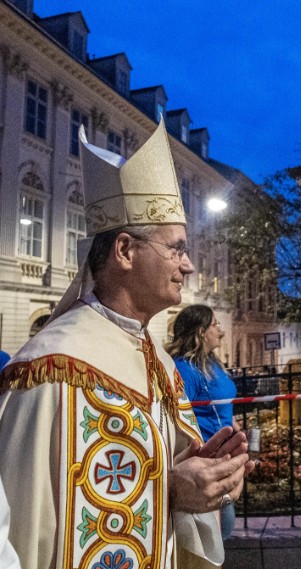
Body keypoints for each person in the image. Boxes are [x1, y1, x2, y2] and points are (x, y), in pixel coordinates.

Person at [0, 121, 254, 568]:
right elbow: (29, 527)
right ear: (124, 250)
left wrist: (210, 477)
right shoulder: (48, 370)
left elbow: (169, 470)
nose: (189, 265)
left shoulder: (156, 359)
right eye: (176, 249)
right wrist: (171, 488)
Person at [167, 304, 240, 539]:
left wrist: (235, 427)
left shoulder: (213, 363)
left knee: (223, 527)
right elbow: (175, 416)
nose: (220, 330)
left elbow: (221, 404)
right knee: (217, 530)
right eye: (215, 324)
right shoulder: (185, 369)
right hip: (204, 461)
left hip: (222, 456)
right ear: (200, 332)